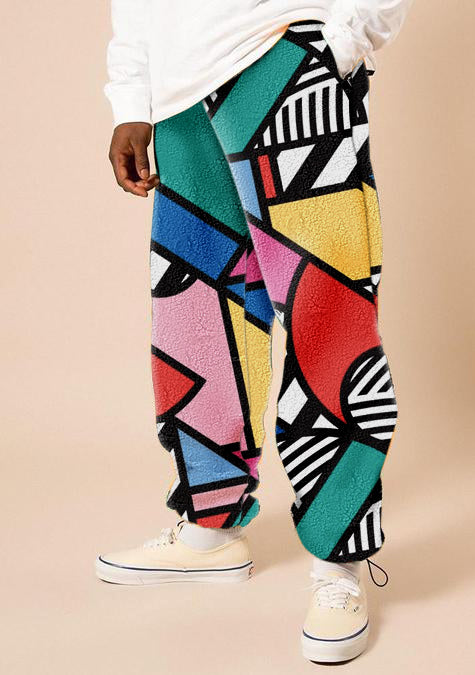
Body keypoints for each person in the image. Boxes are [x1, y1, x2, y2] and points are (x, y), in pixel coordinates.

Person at [97, 0, 412, 663]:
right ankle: (210, 528)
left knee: (326, 312)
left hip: (282, 58)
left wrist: (344, 41)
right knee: (197, 315)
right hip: (179, 93)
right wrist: (132, 96)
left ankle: (338, 562)